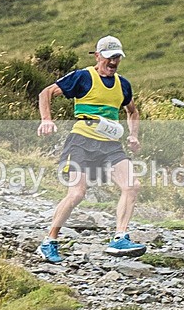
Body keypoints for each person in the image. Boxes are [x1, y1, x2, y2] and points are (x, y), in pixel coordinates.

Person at [36, 35, 147, 263]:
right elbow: (45, 93)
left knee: (132, 185)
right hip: (81, 142)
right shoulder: (83, 77)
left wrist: (134, 136)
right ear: (98, 56)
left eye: (117, 57)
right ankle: (49, 241)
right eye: (109, 57)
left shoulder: (123, 84)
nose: (113, 62)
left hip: (110, 145)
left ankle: (120, 238)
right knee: (77, 193)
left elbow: (132, 111)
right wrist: (46, 119)